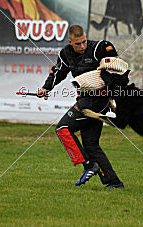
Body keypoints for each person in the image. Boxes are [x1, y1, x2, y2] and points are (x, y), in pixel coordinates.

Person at [37, 25, 124, 189]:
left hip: (97, 102)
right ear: (70, 42)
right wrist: (45, 88)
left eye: (84, 41)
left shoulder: (99, 47)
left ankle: (88, 166)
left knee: (62, 128)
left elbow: (117, 66)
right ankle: (114, 182)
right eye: (78, 44)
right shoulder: (65, 54)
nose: (82, 46)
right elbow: (58, 73)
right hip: (85, 99)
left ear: (86, 37)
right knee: (91, 144)